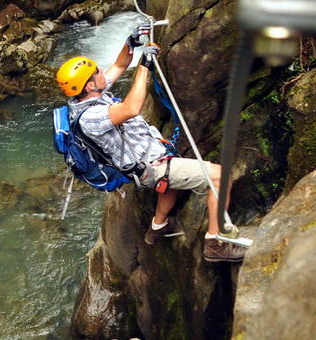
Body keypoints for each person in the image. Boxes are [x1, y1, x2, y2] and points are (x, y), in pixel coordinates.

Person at [55, 23, 244, 262]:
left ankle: (157, 227)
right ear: (90, 85)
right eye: (96, 72)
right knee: (219, 177)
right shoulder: (91, 117)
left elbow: (120, 65)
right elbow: (131, 108)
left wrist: (130, 43)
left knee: (171, 180)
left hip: (153, 158)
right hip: (150, 167)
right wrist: (145, 65)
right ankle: (216, 243)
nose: (102, 70)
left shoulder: (89, 96)